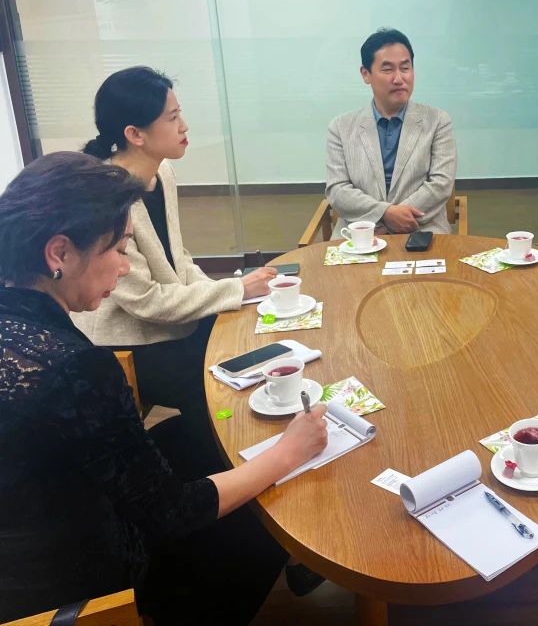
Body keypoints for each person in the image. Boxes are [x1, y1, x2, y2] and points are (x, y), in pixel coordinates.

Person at [0, 153, 330, 624]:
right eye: (118, 250)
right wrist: (287, 453)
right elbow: (171, 513)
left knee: (189, 438)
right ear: (60, 254)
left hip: (26, 531)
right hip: (71, 584)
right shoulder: (76, 367)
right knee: (265, 514)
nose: (123, 268)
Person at [71, 66, 276, 421]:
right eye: (172, 117)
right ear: (135, 134)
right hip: (130, 340)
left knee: (250, 337)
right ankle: (210, 450)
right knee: (221, 387)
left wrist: (224, 293)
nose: (184, 126)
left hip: (172, 320)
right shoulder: (106, 199)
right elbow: (145, 302)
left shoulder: (162, 172)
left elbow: (177, 258)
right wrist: (236, 289)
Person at [326, 27, 457, 236]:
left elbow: (441, 184)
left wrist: (397, 219)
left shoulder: (438, 121)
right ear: (366, 74)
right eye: (387, 70)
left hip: (422, 230)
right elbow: (337, 190)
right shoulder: (341, 127)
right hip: (360, 232)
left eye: (405, 68)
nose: (399, 78)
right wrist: (384, 214)